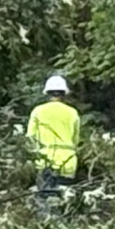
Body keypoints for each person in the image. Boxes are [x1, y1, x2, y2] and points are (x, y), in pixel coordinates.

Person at [27, 73, 81, 201]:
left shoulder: (38, 111)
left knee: (45, 201)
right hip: (68, 162)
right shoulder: (72, 112)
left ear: (47, 93)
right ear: (64, 93)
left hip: (44, 161)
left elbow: (30, 137)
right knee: (65, 200)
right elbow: (76, 139)